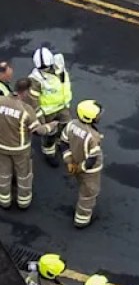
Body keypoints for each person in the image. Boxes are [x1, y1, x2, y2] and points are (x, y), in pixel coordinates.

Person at [0, 78, 56, 209]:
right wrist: (50, 126)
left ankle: (4, 200)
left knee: (3, 174)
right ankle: (23, 201)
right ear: (26, 92)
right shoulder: (26, 109)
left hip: (1, 147)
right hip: (20, 150)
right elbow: (38, 131)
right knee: (23, 175)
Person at [62, 99, 104, 228]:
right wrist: (80, 169)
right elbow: (92, 159)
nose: (100, 116)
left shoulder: (71, 124)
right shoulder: (93, 137)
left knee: (82, 184)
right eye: (98, 115)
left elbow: (63, 143)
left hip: (74, 163)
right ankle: (82, 219)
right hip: (89, 172)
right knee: (88, 193)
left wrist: (70, 163)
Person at [28, 46, 72, 167]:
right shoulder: (35, 80)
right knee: (50, 133)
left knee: (65, 126)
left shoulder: (59, 64)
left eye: (47, 67)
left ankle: (60, 142)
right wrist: (41, 121)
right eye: (42, 68)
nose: (45, 70)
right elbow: (33, 102)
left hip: (63, 106)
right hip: (48, 112)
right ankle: (49, 153)